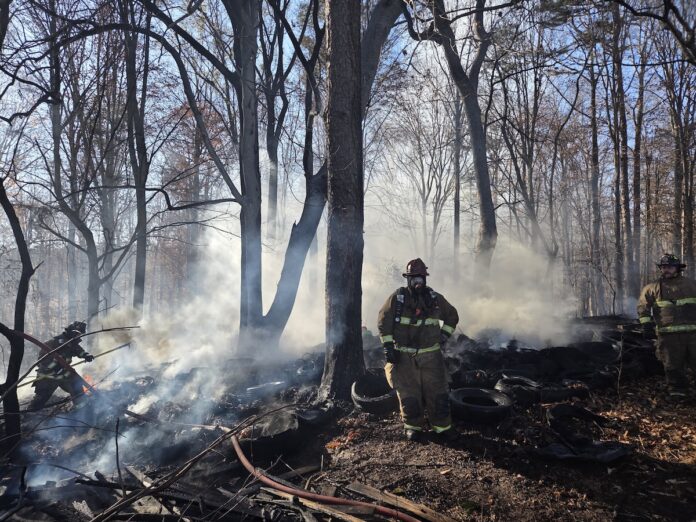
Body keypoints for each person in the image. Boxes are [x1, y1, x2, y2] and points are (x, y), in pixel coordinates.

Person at [377, 258, 459, 442]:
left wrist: (444, 336)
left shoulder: (435, 299)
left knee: (438, 393)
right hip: (405, 358)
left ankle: (442, 427)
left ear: (425, 278)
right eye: (414, 278)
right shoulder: (397, 299)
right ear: (408, 279)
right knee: (408, 394)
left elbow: (452, 316)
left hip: (432, 356)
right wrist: (388, 347)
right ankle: (413, 427)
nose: (417, 282)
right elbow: (383, 322)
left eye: (420, 278)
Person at [637, 254, 696, 398]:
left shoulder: (691, 284)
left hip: (693, 334)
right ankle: (678, 391)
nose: (666, 269)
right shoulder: (652, 287)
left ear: (677, 268)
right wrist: (646, 325)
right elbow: (643, 307)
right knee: (672, 364)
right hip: (668, 335)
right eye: (663, 267)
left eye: (670, 267)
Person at [30, 321, 94, 409]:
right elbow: (42, 360)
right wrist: (55, 366)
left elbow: (79, 351)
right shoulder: (53, 342)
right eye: (78, 334)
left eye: (80, 335)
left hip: (64, 375)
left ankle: (81, 411)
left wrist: (86, 355)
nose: (79, 336)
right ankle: (29, 413)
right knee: (39, 402)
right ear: (72, 331)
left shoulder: (72, 343)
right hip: (48, 377)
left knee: (78, 392)